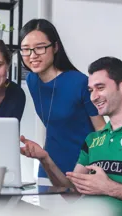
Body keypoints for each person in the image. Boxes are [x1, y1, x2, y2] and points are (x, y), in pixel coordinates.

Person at [20, 57, 122, 215]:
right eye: (91, 90)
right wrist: (45, 158)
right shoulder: (92, 139)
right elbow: (70, 192)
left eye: (100, 87)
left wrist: (109, 187)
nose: (93, 97)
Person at [19, 19, 105, 178]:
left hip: (83, 168)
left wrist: (99, 169)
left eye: (40, 48)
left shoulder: (80, 83)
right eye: (26, 49)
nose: (32, 55)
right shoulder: (32, 80)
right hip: (49, 167)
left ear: (55, 47)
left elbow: (101, 130)